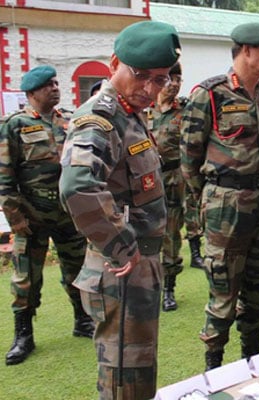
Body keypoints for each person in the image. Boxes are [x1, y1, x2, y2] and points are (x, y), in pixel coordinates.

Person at [58, 21, 180, 399]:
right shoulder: (101, 118)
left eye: (159, 80)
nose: (149, 88)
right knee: (124, 376)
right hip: (120, 271)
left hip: (136, 268)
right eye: (140, 75)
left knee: (137, 369)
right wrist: (121, 243)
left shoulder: (129, 114)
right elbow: (77, 186)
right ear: (115, 63)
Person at [180, 22, 259, 370]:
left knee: (258, 291)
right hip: (225, 205)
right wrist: (209, 203)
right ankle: (214, 368)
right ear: (246, 50)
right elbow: (189, 161)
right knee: (223, 294)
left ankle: (250, 363)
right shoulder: (209, 94)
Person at [0, 65, 91, 366]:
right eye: (47, 85)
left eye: (56, 82)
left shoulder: (69, 120)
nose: (55, 87)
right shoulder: (15, 124)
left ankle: (83, 321)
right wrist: (16, 218)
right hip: (32, 216)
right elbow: (4, 176)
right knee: (26, 278)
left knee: (77, 269)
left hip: (68, 214)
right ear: (31, 92)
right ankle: (23, 336)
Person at [143, 62, 187, 312]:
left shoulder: (185, 112)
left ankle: (169, 287)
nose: (175, 84)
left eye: (179, 79)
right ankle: (149, 285)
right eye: (170, 79)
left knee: (171, 233)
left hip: (173, 179)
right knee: (146, 234)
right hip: (145, 182)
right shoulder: (142, 109)